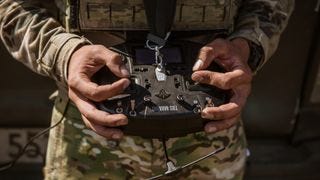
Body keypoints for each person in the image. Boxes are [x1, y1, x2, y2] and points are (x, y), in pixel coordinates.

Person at [0, 0, 294, 179]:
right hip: (91, 132)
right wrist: (65, 55)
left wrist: (247, 46)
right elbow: (13, 6)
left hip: (211, 126)